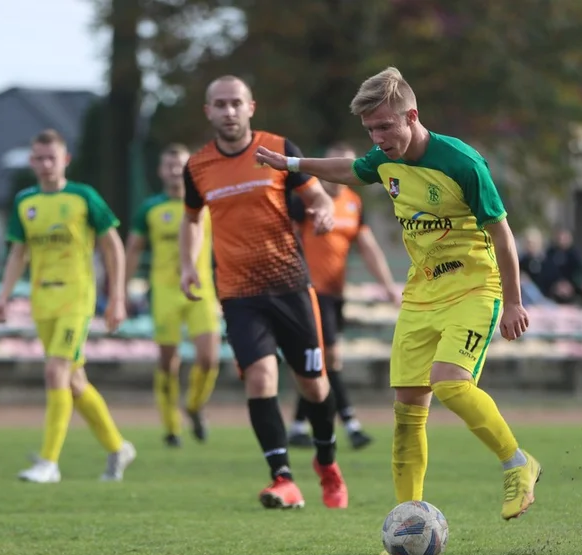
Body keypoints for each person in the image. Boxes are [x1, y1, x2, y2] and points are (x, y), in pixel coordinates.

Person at [255, 66, 543, 526]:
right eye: (370, 129)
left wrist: (512, 301)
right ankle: (409, 520)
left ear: (412, 115)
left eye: (385, 126)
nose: (378, 137)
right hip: (421, 294)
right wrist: (291, 165)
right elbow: (350, 171)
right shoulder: (382, 159)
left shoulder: (463, 162)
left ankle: (517, 464)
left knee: (450, 382)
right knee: (407, 412)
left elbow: (503, 234)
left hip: (473, 287)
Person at [179, 76, 348, 510]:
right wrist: (187, 265)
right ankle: (283, 478)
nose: (229, 111)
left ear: (250, 107)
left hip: (291, 286)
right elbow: (193, 220)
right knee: (260, 377)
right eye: (220, 104)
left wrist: (324, 213)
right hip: (238, 293)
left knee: (313, 385)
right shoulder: (197, 167)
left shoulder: (277, 149)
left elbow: (319, 198)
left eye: (236, 103)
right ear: (209, 112)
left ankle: (327, 466)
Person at [0, 129, 137, 483]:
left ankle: (48, 463)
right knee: (73, 382)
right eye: (39, 158)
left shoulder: (83, 196)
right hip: (42, 300)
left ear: (65, 160)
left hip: (77, 297)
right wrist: (4, 295)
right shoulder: (24, 202)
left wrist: (117, 296)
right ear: (31, 161)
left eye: (51, 158)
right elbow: (18, 252)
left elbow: (113, 245)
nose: (45, 165)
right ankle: (118, 447)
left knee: (55, 372)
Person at [286, 141, 402, 451]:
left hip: (335, 295)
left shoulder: (353, 202)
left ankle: (298, 426)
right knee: (331, 359)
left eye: (349, 165)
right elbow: (288, 239)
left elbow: (368, 248)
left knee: (320, 361)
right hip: (309, 291)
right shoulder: (307, 201)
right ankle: (351, 424)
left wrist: (389, 286)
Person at [126, 143, 221, 447]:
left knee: (209, 359)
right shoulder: (150, 209)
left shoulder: (206, 203)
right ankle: (171, 426)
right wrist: (123, 290)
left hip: (201, 291)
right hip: (165, 292)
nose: (174, 171)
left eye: (179, 164)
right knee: (169, 363)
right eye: (168, 165)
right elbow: (133, 249)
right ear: (160, 171)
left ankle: (194, 406)